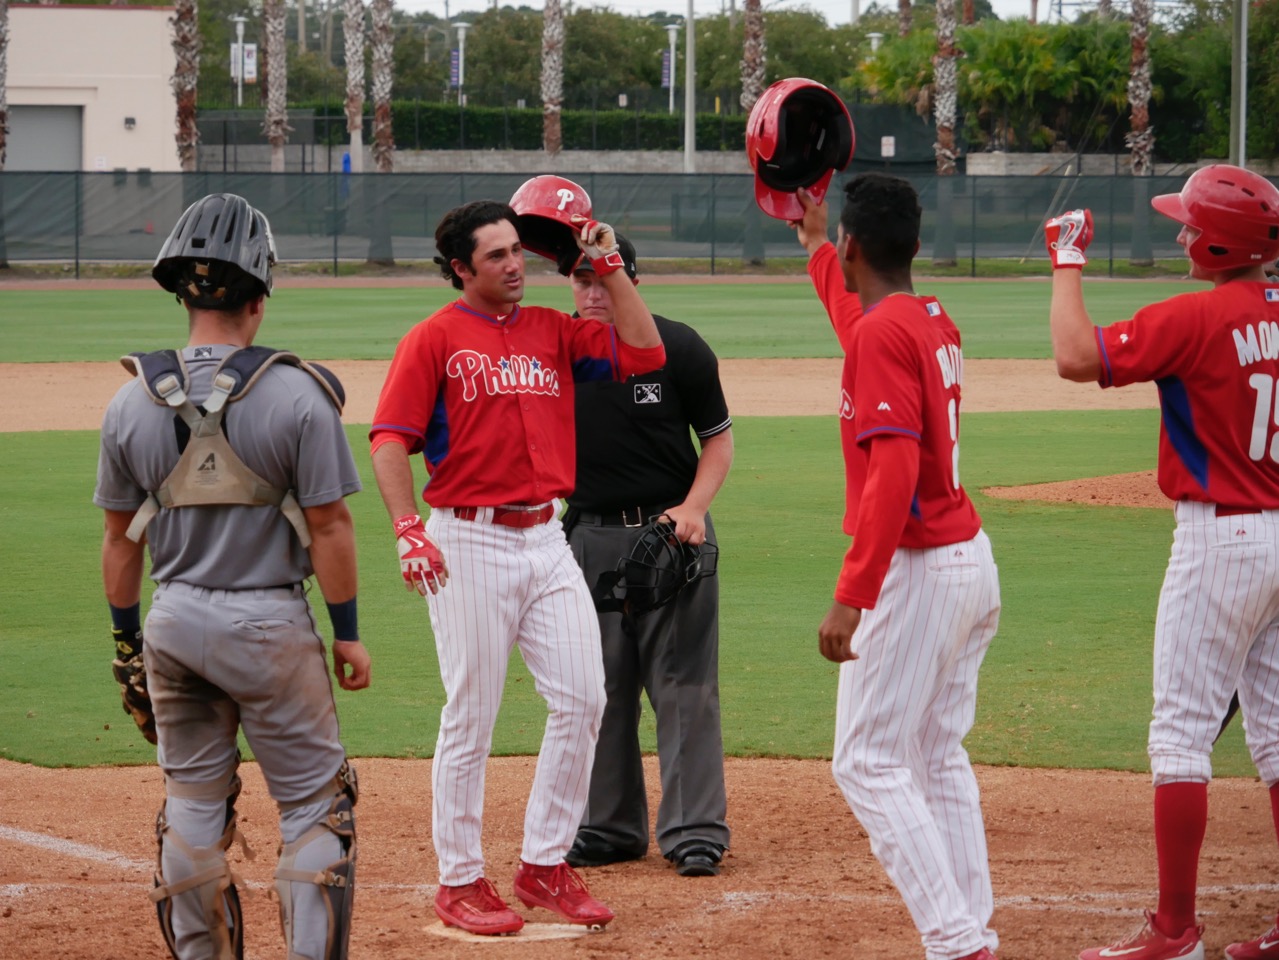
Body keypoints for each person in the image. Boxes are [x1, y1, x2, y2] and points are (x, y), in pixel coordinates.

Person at [368, 199, 666, 935]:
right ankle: (459, 879)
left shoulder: (552, 331)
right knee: (472, 713)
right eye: (495, 255)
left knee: (585, 698)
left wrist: (607, 262)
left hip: (546, 538)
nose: (514, 265)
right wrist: (407, 530)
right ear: (460, 268)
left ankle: (543, 865)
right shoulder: (433, 338)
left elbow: (645, 352)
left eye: (515, 250)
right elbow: (389, 438)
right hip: (468, 542)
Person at [94, 193, 370, 960]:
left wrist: (127, 644)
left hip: (173, 624)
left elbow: (118, 541)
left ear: (182, 295)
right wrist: (347, 634)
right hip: (268, 626)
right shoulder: (299, 394)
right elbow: (330, 527)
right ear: (259, 297)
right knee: (315, 806)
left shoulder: (128, 402)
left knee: (190, 804)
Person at [1045, 165, 1279, 960]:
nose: (1181, 234)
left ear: (1217, 243)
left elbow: (1074, 356)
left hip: (1220, 540)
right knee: (1276, 736)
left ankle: (1174, 931)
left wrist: (1066, 259)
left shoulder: (1195, 316)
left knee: (1179, 735)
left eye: (1190, 225)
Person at [792, 175, 1002, 960]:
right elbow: (857, 321)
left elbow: (892, 472)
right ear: (913, 245)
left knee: (867, 762)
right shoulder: (925, 316)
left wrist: (852, 594)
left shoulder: (883, 334)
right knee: (934, 754)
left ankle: (954, 941)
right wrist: (816, 245)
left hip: (916, 573)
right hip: (967, 562)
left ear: (857, 244)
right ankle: (971, 931)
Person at [558, 235, 734, 878]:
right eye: (582, 280)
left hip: (670, 534)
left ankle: (694, 830)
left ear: (631, 281)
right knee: (597, 689)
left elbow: (717, 441)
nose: (593, 292)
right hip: (585, 537)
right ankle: (609, 827)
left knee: (684, 686)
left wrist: (693, 509)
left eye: (605, 278)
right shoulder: (555, 355)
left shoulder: (678, 347)